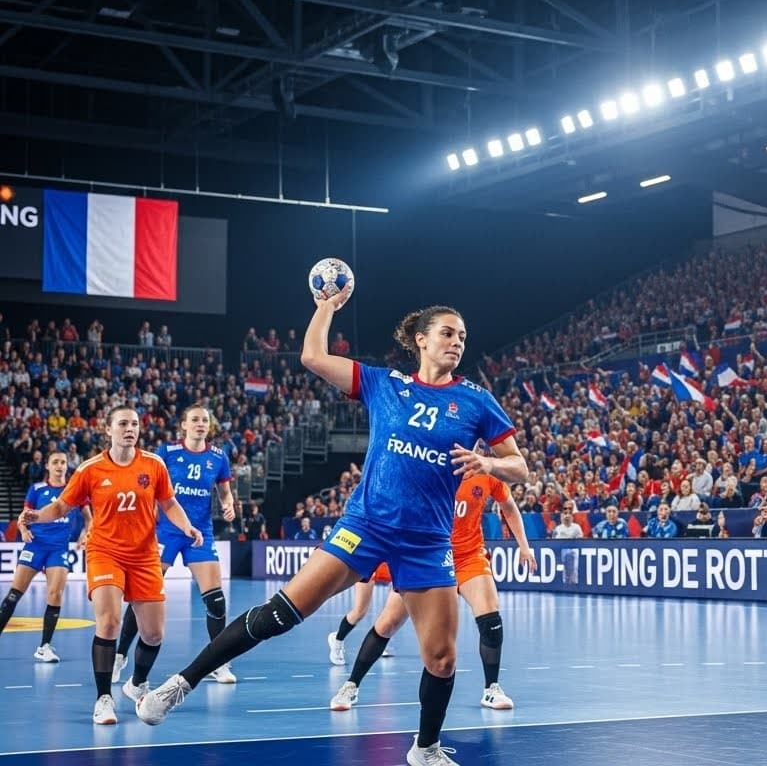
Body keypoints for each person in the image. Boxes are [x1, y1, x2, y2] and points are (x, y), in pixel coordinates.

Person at [135, 295, 526, 766]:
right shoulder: (384, 384)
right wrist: (326, 306)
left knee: (442, 659)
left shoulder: (477, 401)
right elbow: (313, 357)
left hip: (427, 542)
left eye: (462, 336)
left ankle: (425, 750)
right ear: (421, 340)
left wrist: (488, 463)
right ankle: (182, 682)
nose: (457, 342)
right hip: (366, 526)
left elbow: (519, 466)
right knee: (280, 613)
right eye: (447, 333)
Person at [19, 407, 202, 725]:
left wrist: (187, 526)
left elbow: (169, 503)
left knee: (154, 634)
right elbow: (62, 506)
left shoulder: (154, 464)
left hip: (144, 556)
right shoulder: (90, 469)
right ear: (109, 430)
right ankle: (103, 699)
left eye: (134, 424)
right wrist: (37, 516)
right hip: (105, 552)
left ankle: (136, 683)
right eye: (123, 424)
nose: (130, 428)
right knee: (109, 623)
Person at [330, 469, 536, 712]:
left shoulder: (487, 473)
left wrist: (524, 546)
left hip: (468, 557)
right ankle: (351, 685)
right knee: (387, 624)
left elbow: (509, 507)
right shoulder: (431, 469)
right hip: (427, 555)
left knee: (490, 614)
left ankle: (492, 688)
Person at [112, 405, 237, 686]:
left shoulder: (218, 457)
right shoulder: (166, 453)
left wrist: (228, 505)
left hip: (199, 534)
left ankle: (219, 662)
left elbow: (225, 492)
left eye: (205, 420)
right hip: (164, 533)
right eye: (195, 419)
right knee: (142, 596)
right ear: (184, 425)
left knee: (216, 601)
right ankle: (120, 655)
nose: (201, 424)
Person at [0, 452, 89, 662]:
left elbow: (89, 519)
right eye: (55, 462)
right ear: (47, 466)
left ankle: (44, 647)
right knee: (14, 594)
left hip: (58, 549)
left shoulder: (74, 490)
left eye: (63, 462)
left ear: (67, 466)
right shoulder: (37, 489)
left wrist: (85, 534)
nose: (60, 465)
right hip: (36, 545)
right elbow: (23, 517)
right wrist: (23, 531)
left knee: (55, 594)